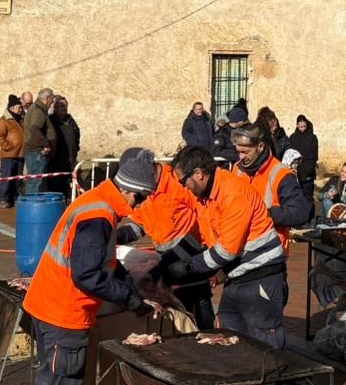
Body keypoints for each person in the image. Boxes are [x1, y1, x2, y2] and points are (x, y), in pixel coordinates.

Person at [21, 147, 161, 385]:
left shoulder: (97, 202)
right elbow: (87, 276)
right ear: (129, 190)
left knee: (48, 378)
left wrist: (130, 287)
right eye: (140, 199)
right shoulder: (98, 217)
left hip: (46, 305)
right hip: (64, 314)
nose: (138, 206)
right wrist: (131, 300)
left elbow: (103, 264)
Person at [174, 145, 288, 347]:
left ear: (199, 174)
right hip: (238, 275)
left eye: (184, 181)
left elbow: (226, 250)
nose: (184, 187)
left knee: (263, 343)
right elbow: (202, 236)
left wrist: (188, 268)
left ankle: (273, 378)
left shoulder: (231, 192)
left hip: (262, 274)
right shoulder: (205, 197)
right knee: (229, 331)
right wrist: (170, 260)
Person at [124, 154, 217, 330]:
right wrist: (120, 234)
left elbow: (203, 215)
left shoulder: (178, 181)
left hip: (191, 256)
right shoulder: (146, 190)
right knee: (175, 315)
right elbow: (140, 222)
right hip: (165, 261)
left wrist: (189, 249)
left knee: (199, 315)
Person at [232, 124, 312, 249]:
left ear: (260, 146)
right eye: (238, 152)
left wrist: (265, 213)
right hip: (240, 247)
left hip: (270, 253)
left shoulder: (280, 174)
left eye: (245, 152)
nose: (240, 157)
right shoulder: (237, 169)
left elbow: (300, 213)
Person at [0, 97, 26, 209]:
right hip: (8, 155)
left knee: (18, 178)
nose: (21, 110)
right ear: (12, 108)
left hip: (20, 155)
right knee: (7, 178)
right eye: (19, 107)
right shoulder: (4, 121)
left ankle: (16, 198)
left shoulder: (20, 120)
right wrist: (9, 146)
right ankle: (4, 199)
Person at [21, 88, 55, 194]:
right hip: (36, 153)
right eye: (52, 100)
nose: (52, 102)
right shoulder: (38, 110)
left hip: (35, 152)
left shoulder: (38, 109)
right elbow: (35, 129)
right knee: (36, 182)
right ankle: (33, 207)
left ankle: (35, 205)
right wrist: (46, 144)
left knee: (36, 181)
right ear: (47, 99)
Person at [50, 96, 81, 198]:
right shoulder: (51, 121)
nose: (64, 110)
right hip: (57, 159)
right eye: (61, 107)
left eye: (65, 107)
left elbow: (77, 134)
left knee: (69, 182)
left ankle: (68, 199)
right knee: (57, 183)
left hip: (70, 158)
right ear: (56, 108)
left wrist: (76, 147)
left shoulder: (71, 120)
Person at [287, 115, 319, 203]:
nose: (303, 129)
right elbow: (290, 154)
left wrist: (309, 169)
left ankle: (310, 216)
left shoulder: (312, 138)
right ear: (297, 126)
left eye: (305, 126)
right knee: (296, 199)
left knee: (308, 199)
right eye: (301, 127)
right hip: (296, 173)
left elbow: (314, 154)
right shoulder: (292, 138)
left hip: (308, 173)